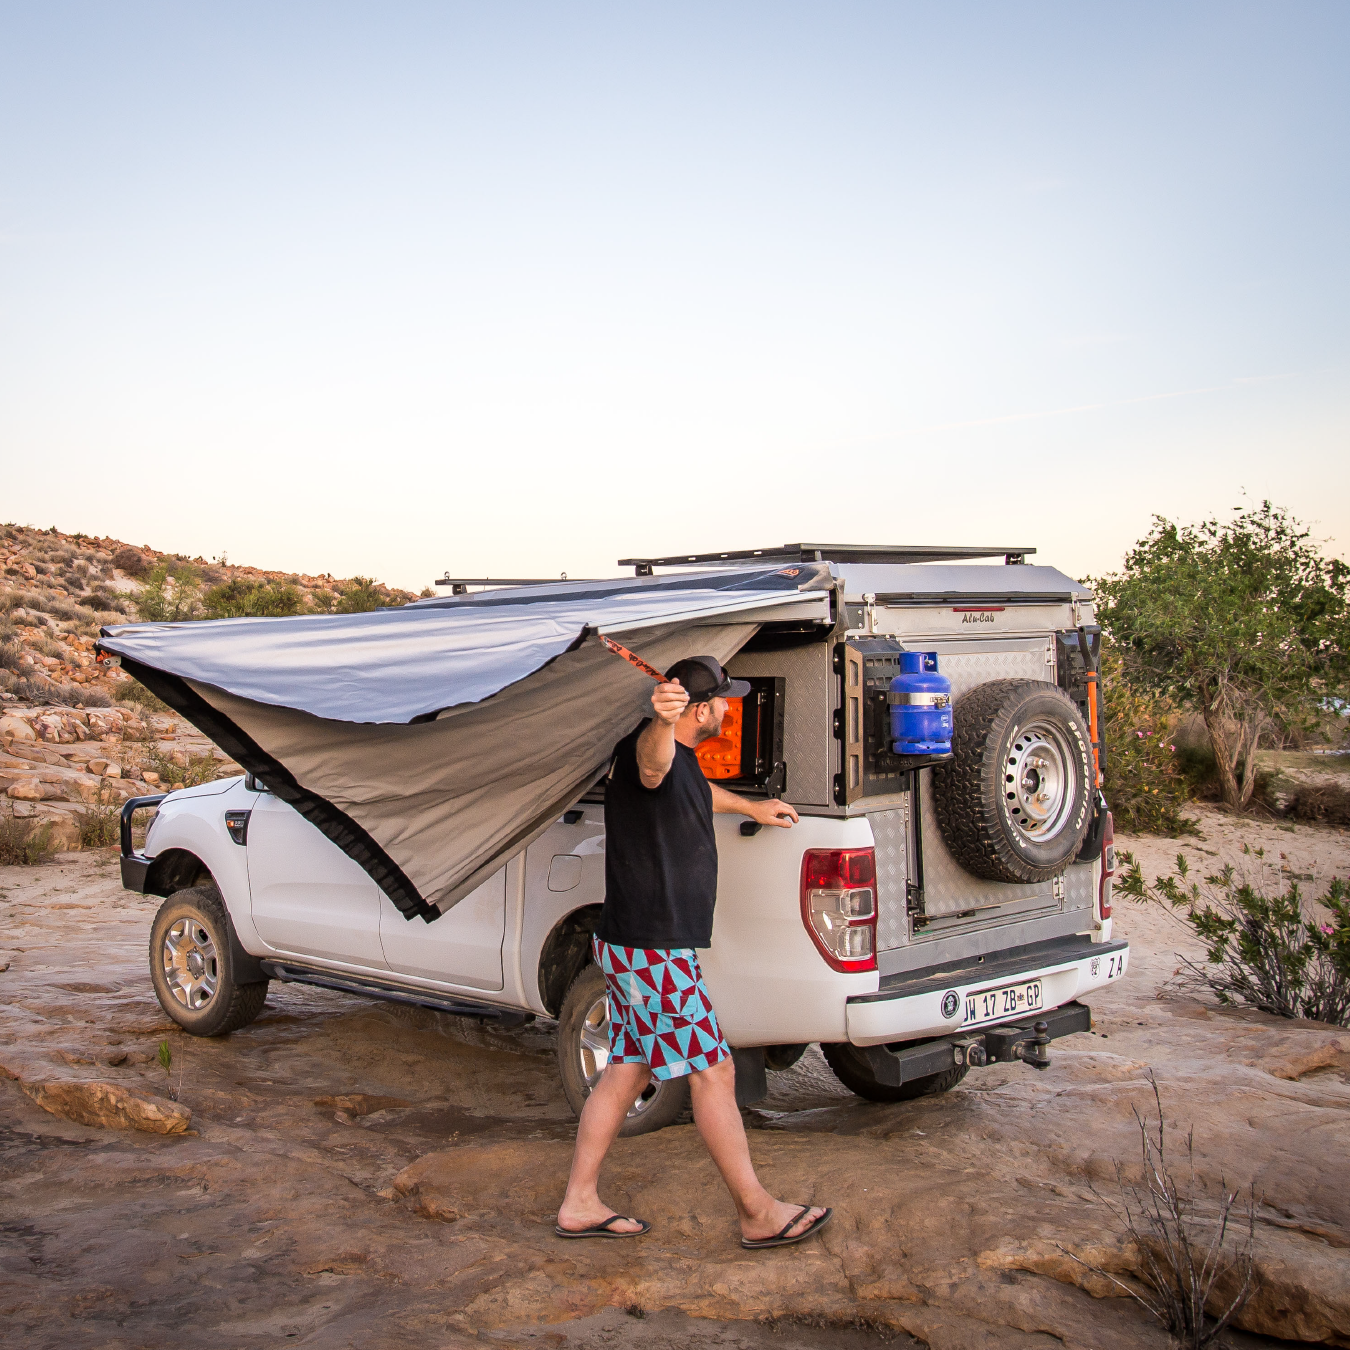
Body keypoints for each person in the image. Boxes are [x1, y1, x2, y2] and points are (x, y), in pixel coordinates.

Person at [554, 655, 832, 1250]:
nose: (730, 709)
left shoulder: (683, 760)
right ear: (701, 710)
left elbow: (691, 789)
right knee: (714, 1070)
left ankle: (580, 1202)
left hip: (639, 944)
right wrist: (660, 720)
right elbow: (653, 767)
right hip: (652, 950)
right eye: (724, 700)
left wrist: (751, 807)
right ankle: (758, 1213)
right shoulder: (649, 750)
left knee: (627, 1070)